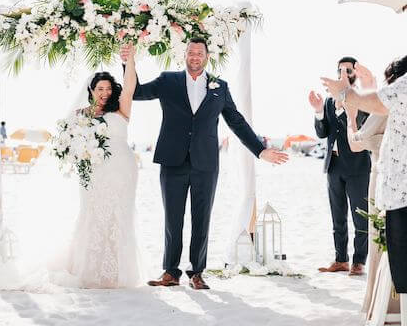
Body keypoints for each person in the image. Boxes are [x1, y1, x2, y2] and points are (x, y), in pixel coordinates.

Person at [123, 37, 288, 290]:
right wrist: (128, 63)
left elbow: (237, 122)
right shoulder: (168, 81)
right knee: (173, 219)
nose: (195, 56)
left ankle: (197, 272)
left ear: (207, 57)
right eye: (191, 52)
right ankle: (170, 272)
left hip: (205, 164)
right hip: (173, 161)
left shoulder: (219, 87)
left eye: (200, 53)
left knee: (202, 219)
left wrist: (260, 150)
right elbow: (137, 92)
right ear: (185, 55)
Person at [322, 56, 407, 323]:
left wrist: (348, 105)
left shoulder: (392, 97)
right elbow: (324, 129)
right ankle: (344, 259)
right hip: (351, 171)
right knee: (342, 219)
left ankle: (385, 299)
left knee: (380, 239)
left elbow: (358, 139)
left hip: (389, 184)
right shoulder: (389, 96)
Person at [56, 43, 141, 288]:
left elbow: (131, 85)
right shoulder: (80, 114)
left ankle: (117, 272)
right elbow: (69, 143)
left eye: (107, 88)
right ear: (91, 91)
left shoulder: (121, 108)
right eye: (99, 89)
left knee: (120, 216)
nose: (104, 92)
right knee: (92, 214)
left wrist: (130, 59)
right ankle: (89, 268)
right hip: (94, 172)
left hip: (123, 169)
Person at [309, 57, 371, 276]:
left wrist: (344, 102)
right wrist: (318, 111)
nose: (343, 74)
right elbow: (322, 133)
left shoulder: (363, 98)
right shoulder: (328, 100)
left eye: (348, 70)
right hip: (333, 166)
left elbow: (360, 125)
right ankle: (340, 260)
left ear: (355, 73)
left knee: (360, 216)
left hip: (358, 166)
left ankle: (359, 262)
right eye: (340, 70)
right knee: (338, 216)